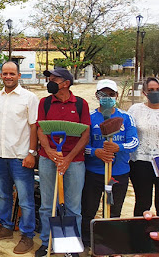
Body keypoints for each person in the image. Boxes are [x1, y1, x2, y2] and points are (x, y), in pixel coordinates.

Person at [0, 61, 39, 254]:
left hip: (21, 156)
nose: (8, 76)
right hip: (0, 155)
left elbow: (34, 127)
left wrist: (32, 153)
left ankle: (27, 235)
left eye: (12, 73)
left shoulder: (29, 98)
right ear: (1, 75)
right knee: (3, 195)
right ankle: (5, 227)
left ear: (18, 75)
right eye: (5, 73)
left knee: (25, 199)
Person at [34, 67, 90, 257]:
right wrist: (48, 150)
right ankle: (46, 242)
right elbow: (40, 129)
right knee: (47, 204)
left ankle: (71, 246)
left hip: (74, 161)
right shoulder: (45, 103)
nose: (49, 81)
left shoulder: (81, 104)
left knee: (73, 206)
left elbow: (85, 134)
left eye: (54, 79)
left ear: (66, 83)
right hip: (48, 159)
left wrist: (68, 158)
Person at [81, 79, 138, 248]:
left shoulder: (126, 117)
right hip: (94, 172)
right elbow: (82, 145)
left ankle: (110, 242)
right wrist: (95, 152)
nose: (107, 98)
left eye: (111, 94)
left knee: (114, 210)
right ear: (97, 96)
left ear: (117, 95)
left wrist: (117, 147)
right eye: (102, 94)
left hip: (118, 173)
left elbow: (134, 142)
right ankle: (87, 242)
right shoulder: (89, 118)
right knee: (89, 209)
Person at [129, 77, 159, 216]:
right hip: (140, 162)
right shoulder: (135, 110)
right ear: (144, 92)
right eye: (151, 90)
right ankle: (139, 235)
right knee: (142, 202)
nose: (154, 92)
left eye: (157, 90)